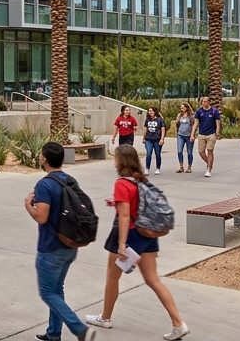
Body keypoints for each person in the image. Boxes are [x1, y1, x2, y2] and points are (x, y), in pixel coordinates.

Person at [85, 145, 188, 340]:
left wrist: (122, 244)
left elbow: (124, 216)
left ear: (120, 160)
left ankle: (105, 317)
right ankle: (178, 323)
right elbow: (134, 206)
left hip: (129, 234)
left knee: (112, 277)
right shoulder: (141, 180)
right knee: (153, 279)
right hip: (147, 235)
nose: (113, 161)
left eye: (115, 157)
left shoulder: (122, 183)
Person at [26, 141, 98, 341]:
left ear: (44, 159)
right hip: (70, 245)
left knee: (48, 293)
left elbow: (41, 216)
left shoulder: (44, 184)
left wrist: (27, 205)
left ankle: (80, 330)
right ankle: (53, 333)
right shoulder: (70, 180)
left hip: (50, 247)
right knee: (57, 290)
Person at [194, 96, 221, 177]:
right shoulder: (199, 111)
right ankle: (209, 163)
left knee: (210, 151)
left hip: (211, 134)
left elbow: (218, 122)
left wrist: (217, 131)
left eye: (205, 101)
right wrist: (192, 133)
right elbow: (196, 122)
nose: (204, 103)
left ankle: (208, 168)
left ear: (209, 102)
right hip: (201, 134)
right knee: (201, 152)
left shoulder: (214, 111)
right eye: (202, 102)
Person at [142, 107, 166, 175]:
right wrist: (144, 138)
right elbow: (145, 129)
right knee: (148, 154)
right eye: (149, 111)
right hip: (148, 139)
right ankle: (147, 168)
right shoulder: (147, 120)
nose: (150, 112)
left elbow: (163, 129)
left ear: (155, 111)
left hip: (157, 139)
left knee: (157, 154)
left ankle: (158, 168)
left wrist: (162, 139)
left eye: (151, 111)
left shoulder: (160, 120)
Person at [174, 102, 194, 173]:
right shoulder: (179, 115)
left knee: (189, 151)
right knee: (179, 151)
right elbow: (176, 123)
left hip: (188, 135)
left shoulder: (191, 116)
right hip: (180, 135)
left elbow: (194, 125)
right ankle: (181, 166)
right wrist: (176, 122)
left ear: (186, 108)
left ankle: (189, 166)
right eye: (181, 108)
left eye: (183, 108)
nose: (181, 109)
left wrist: (193, 134)